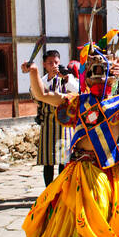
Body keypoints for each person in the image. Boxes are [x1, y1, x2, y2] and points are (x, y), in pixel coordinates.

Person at [23, 30, 119, 237]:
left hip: (103, 174)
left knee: (101, 228)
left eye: (102, 71)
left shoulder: (118, 103)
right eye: (93, 70)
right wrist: (34, 72)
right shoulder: (77, 102)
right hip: (77, 170)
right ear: (86, 74)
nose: (97, 75)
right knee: (77, 230)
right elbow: (41, 94)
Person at [35, 49, 78, 185]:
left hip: (64, 126)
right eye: (50, 63)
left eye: (56, 62)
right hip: (48, 124)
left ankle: (62, 186)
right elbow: (37, 95)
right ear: (44, 65)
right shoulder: (42, 81)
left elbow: (78, 90)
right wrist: (49, 79)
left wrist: (66, 78)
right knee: (48, 162)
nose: (53, 65)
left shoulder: (67, 78)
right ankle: (49, 188)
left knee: (63, 160)